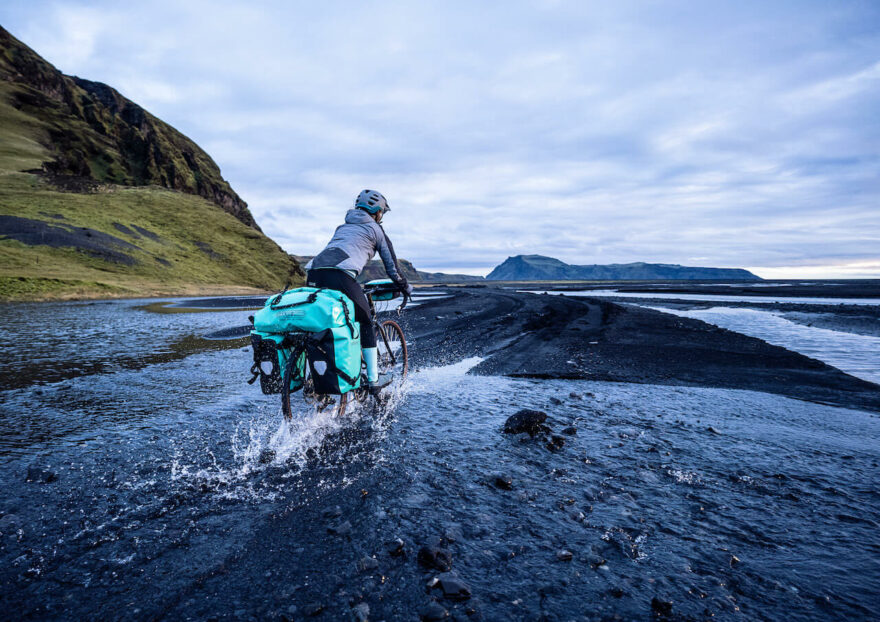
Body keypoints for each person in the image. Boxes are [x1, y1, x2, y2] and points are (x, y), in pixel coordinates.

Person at [305, 189, 413, 393]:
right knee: (365, 321)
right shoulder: (376, 230)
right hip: (340, 276)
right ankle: (373, 381)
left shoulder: (342, 227)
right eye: (382, 212)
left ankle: (317, 376)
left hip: (312, 274)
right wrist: (404, 286)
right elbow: (392, 267)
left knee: (324, 322)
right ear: (378, 212)